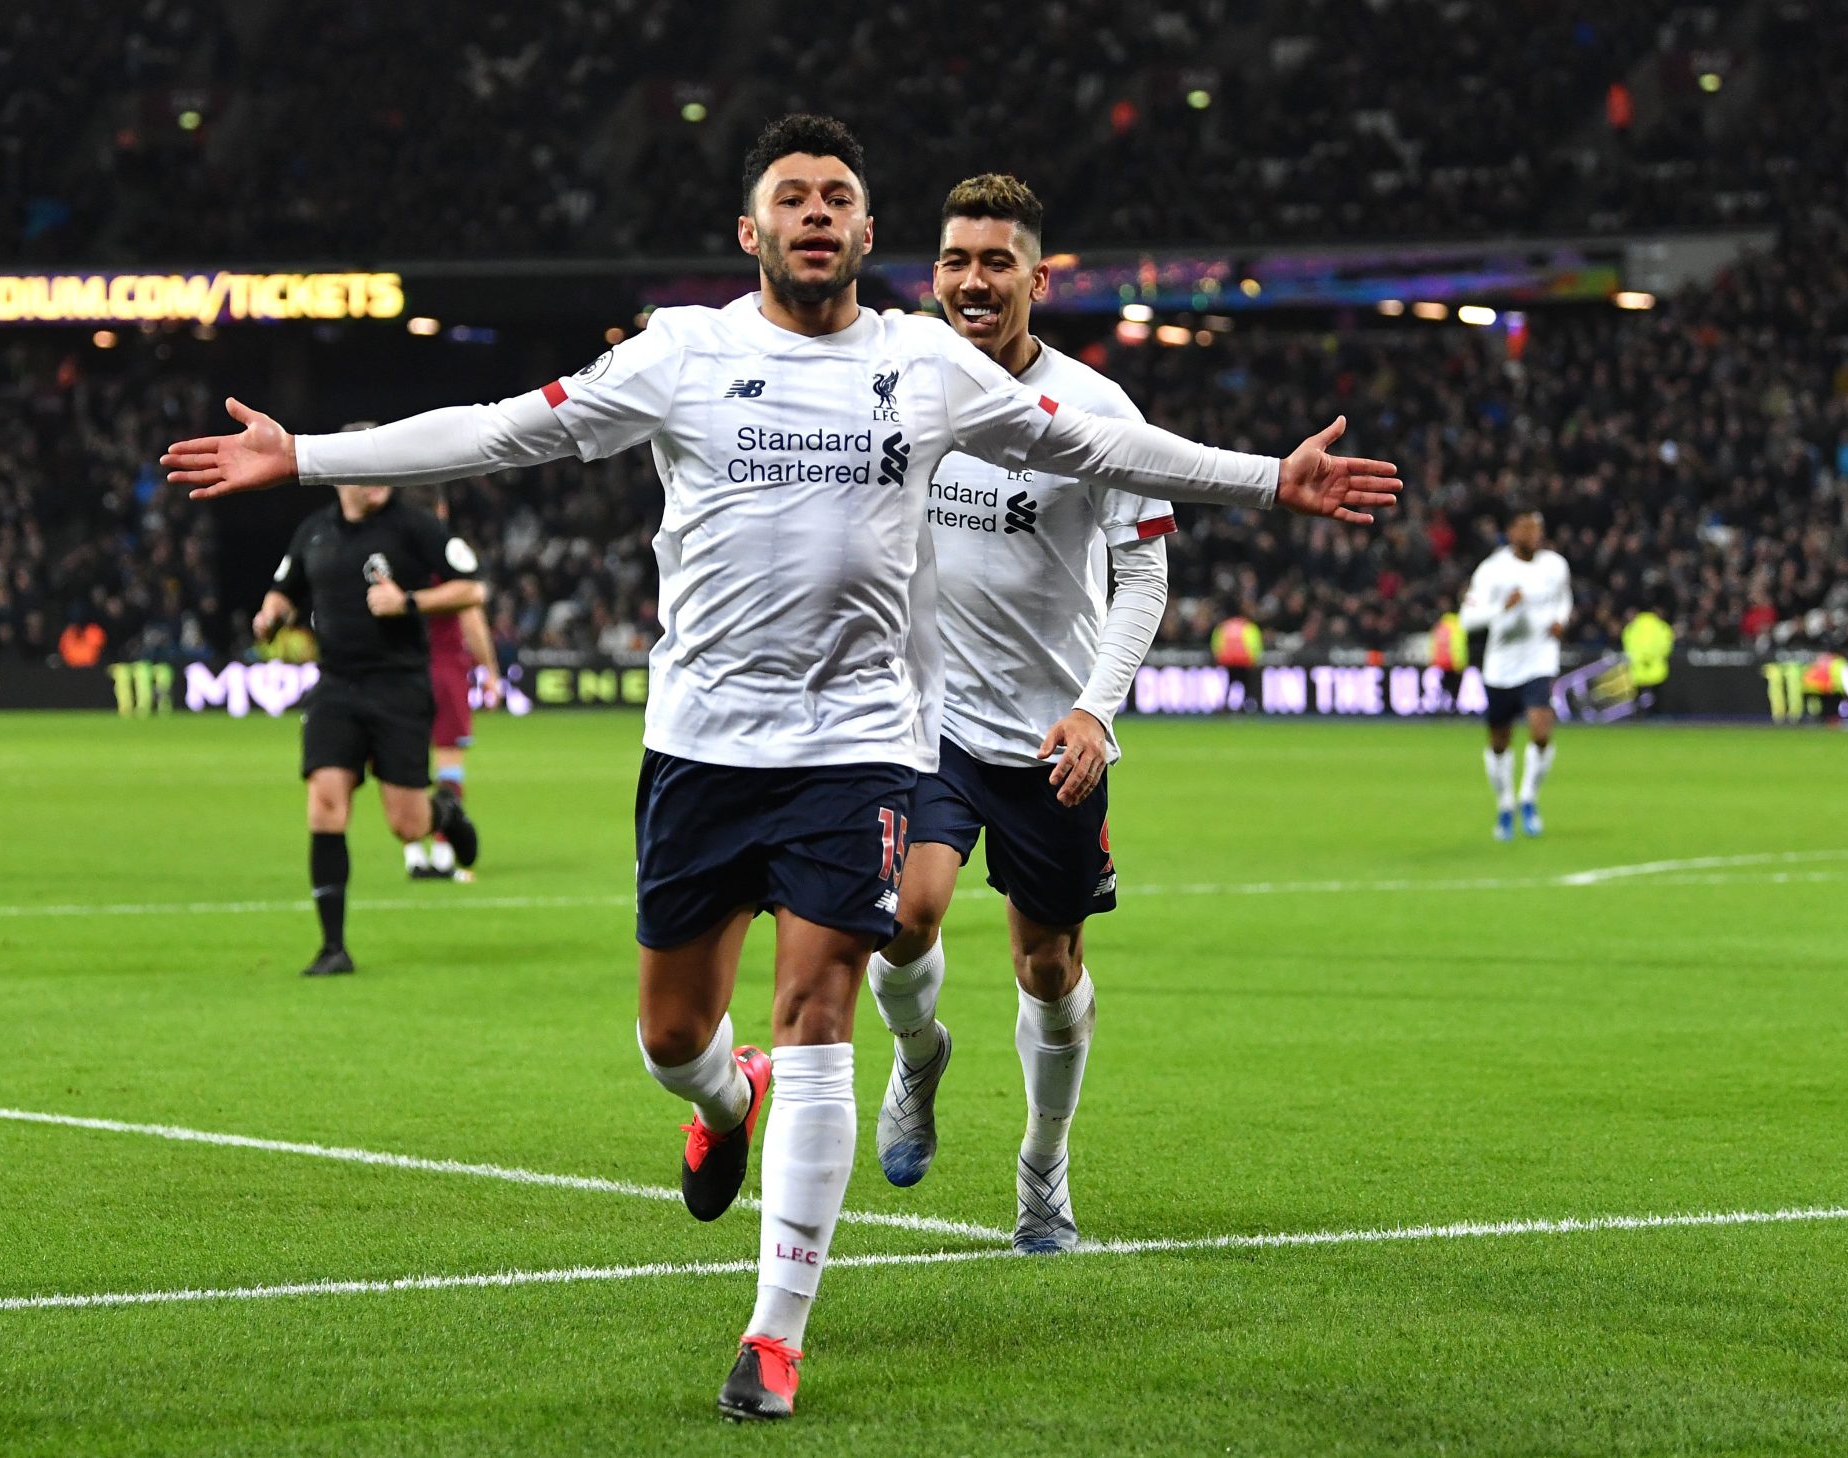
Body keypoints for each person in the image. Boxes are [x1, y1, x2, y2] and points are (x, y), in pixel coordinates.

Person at [164, 114, 1402, 1422]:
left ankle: (774, 1333)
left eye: (837, 196)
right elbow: (502, 431)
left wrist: (1268, 479)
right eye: (792, 195)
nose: (816, 211)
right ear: (750, 230)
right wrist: (308, 456)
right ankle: (721, 1095)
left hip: (859, 750)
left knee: (819, 1018)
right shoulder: (682, 354)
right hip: (701, 746)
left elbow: (1094, 447)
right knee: (671, 1038)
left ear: (868, 232)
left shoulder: (924, 363)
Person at [864, 174, 1171, 1255]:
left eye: (998, 261)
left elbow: (1143, 576)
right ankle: (918, 1057)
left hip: (1051, 738)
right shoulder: (901, 392)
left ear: (1037, 280)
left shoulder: (1097, 411)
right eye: (956, 259)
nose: (974, 279)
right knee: (901, 916)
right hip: (927, 723)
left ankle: (1043, 1160)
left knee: (1046, 967)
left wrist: (1094, 711)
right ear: (933, 276)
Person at [254, 455, 486, 975]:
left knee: (407, 826)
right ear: (340, 476)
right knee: (325, 806)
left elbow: (472, 587)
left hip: (399, 688)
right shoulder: (314, 532)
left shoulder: (415, 526)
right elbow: (284, 590)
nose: (380, 478)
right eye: (367, 469)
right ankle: (333, 948)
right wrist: (271, 614)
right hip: (335, 687)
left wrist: (409, 601)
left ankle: (445, 814)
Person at [406, 489, 502, 882]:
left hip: (401, 671)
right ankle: (445, 855)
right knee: (448, 763)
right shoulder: (449, 551)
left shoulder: (392, 552)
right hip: (445, 669)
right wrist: (490, 671)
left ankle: (413, 853)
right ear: (441, 509)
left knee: (405, 764)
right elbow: (470, 616)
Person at [1460, 507, 1571, 839]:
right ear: (1510, 532)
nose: (1533, 534)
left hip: (1540, 658)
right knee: (1499, 742)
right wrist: (1502, 608)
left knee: (1541, 730)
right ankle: (1505, 804)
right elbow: (1467, 619)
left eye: (1537, 527)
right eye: (1526, 527)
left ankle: (1528, 799)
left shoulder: (1555, 565)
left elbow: (1564, 599)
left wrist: (1560, 621)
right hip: (1501, 666)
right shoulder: (1492, 570)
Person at [1621, 599, 1674, 716]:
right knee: (1657, 697)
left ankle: (1638, 716)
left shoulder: (1633, 626)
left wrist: (1639, 657)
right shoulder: (1661, 626)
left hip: (1637, 668)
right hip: (1657, 669)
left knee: (1638, 698)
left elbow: (1627, 645)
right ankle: (1656, 716)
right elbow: (1667, 646)